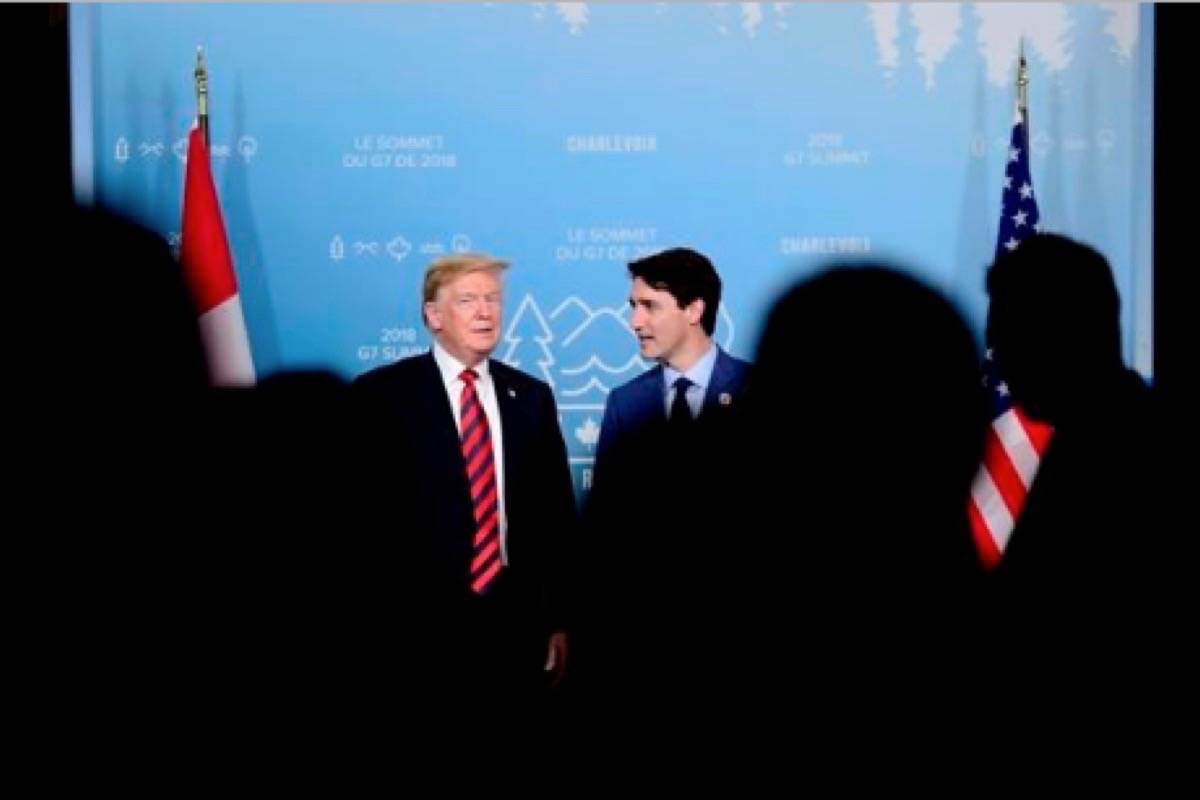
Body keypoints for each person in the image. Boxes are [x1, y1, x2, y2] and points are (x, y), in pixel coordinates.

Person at [353, 253, 577, 698]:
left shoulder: (531, 397)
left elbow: (555, 518)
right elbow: (361, 521)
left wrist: (559, 619)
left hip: (515, 620)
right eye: (468, 300)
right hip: (417, 626)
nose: (485, 312)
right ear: (433, 315)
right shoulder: (382, 396)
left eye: (493, 300)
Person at [577, 247, 751, 702]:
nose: (635, 322)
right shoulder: (625, 403)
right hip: (644, 656)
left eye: (649, 306)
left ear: (695, 309)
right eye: (633, 307)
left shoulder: (764, 396)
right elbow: (604, 531)